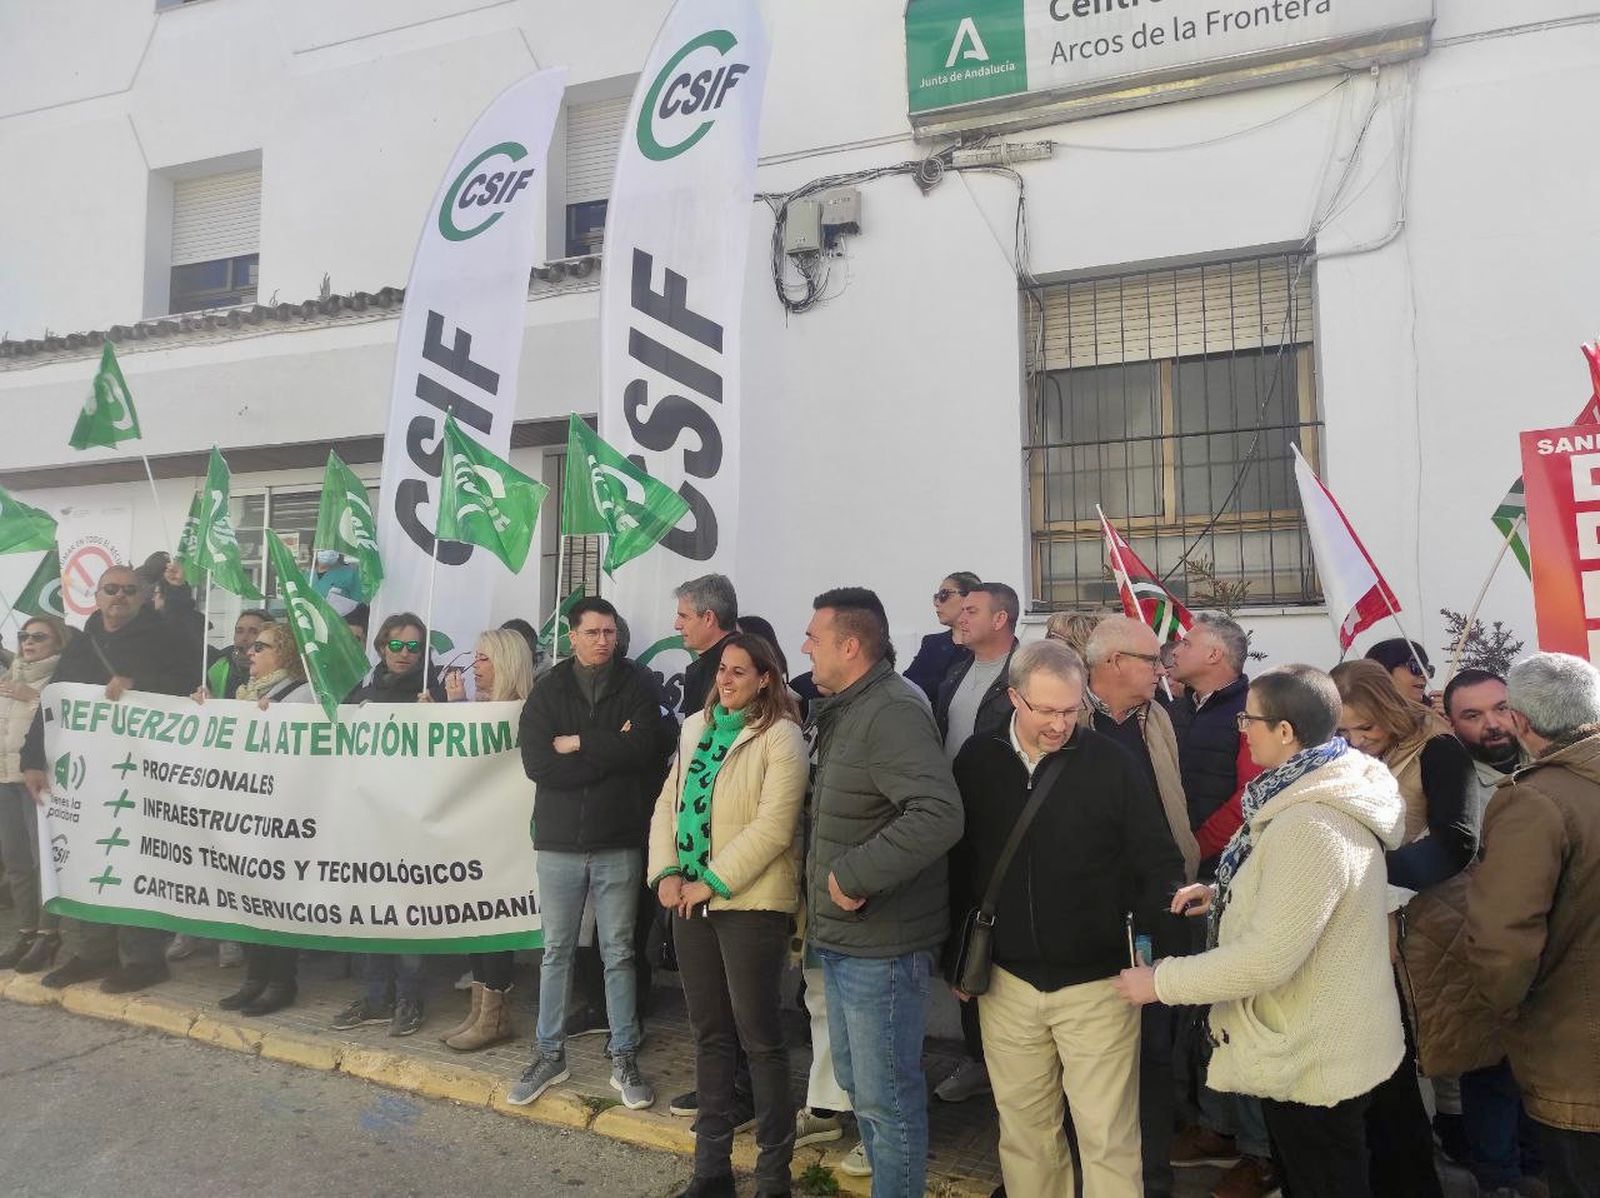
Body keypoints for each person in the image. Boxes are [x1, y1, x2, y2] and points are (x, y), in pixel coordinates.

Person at [1114, 665, 1408, 1198]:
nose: (1242, 729)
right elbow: (1299, 897)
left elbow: (1269, 956)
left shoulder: (1311, 822)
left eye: (1249, 719)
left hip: (1313, 1051)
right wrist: (1226, 893)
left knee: (1324, 1178)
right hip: (1312, 1036)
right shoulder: (1309, 790)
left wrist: (1159, 982)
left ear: (1286, 731)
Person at [952, 639, 1183, 1196]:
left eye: (1071, 710)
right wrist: (954, 960)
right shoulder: (978, 760)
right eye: (1046, 710)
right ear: (1013, 698)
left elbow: (1160, 864)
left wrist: (1152, 964)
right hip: (1006, 983)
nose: (1060, 724)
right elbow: (961, 866)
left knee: (1108, 1138)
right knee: (1026, 1135)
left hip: (1099, 985)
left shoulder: (1112, 764)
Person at [804, 586, 964, 1198]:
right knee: (857, 1081)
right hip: (845, 936)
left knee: (885, 1097)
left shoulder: (891, 709)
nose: (805, 648)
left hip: (883, 944)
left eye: (814, 638)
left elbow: (937, 814)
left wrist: (853, 875)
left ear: (850, 645)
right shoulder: (850, 706)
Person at [648, 633, 807, 1198]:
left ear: (766, 677)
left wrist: (710, 882)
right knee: (710, 1035)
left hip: (750, 905)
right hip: (689, 902)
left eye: (740, 671)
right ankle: (710, 1171)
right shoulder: (695, 728)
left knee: (760, 1039)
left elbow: (774, 826)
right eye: (722, 669)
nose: (727, 679)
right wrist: (667, 873)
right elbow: (669, 801)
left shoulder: (782, 738)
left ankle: (773, 1178)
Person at [508, 597, 662, 1111]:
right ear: (571, 636)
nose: (603, 640)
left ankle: (624, 1055)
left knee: (618, 952)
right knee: (556, 952)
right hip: (558, 843)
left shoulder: (637, 683)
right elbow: (537, 763)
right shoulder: (548, 689)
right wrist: (605, 750)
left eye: (610, 632)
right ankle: (549, 1054)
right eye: (593, 632)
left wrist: (575, 743)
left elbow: (644, 749)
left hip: (619, 839)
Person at [21, 566, 201, 992]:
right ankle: (93, 954)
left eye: (129, 590)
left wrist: (139, 684)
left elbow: (192, 686)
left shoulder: (166, 638)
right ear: (96, 594)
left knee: (132, 861)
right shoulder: (82, 644)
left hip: (138, 775)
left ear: (143, 596)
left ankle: (143, 960)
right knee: (86, 860)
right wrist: (31, 759)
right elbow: (54, 703)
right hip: (85, 778)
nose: (119, 596)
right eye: (111, 589)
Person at [1465, 653, 1600, 1198]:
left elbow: (1504, 938)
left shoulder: (1535, 800)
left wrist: (1503, 1007)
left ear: (1521, 721)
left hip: (1577, 1049)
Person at [1333, 659, 1466, 1197]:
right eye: (1342, 730)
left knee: (1404, 1068)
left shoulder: (1439, 748)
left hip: (1421, 926)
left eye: (1366, 727)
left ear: (1390, 710)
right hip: (1362, 929)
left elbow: (1458, 840)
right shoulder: (1343, 756)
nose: (1356, 740)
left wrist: (1363, 874)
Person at [1080, 614, 1202, 1195]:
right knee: (1090, 1059)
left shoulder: (1162, 718)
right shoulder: (1064, 720)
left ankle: (1151, 1178)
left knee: (1154, 1050)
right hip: (1086, 918)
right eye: (1151, 660)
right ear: (1111, 665)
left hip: (1157, 909)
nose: (1163, 669)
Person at [1164, 613, 1275, 1196]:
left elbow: (1249, 796)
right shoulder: (1180, 708)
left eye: (1187, 642)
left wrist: (1197, 845)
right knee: (1201, 1010)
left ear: (1216, 656)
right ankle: (1217, 1127)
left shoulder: (1249, 708)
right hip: (1188, 877)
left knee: (1233, 1009)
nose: (1175, 650)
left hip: (1225, 877)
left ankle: (1259, 1151)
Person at [189, 621, 315, 1015]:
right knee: (246, 898)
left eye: (261, 647)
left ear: (286, 654)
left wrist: (271, 721)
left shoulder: (302, 694)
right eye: (251, 647)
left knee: (275, 900)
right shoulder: (244, 693)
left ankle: (281, 980)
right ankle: (255, 977)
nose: (250, 653)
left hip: (280, 814)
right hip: (243, 811)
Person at [331, 612, 440, 1036]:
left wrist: (437, 718)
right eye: (398, 645)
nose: (406, 654)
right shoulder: (360, 692)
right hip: (368, 820)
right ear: (381, 646)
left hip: (412, 822)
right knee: (373, 912)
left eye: (415, 647)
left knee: (408, 914)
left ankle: (409, 998)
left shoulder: (430, 694)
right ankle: (376, 997)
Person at [428, 629, 535, 1051]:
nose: (475, 667)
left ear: (506, 663)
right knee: (476, 920)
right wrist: (451, 711)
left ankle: (495, 1017)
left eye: (483, 659)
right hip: (475, 834)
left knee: (496, 922)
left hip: (504, 838)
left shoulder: (522, 711)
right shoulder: (480, 709)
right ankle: (480, 1010)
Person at [0, 616, 73, 974]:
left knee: (40, 860)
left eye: (39, 637)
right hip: (4, 780)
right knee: (15, 860)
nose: (28, 642)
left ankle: (50, 932)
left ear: (58, 643)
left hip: (38, 782)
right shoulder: (9, 677)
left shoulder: (60, 681)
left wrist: (35, 698)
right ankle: (26, 930)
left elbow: (61, 726)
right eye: (24, 636)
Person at [935, 582, 1019, 762]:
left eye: (971, 612)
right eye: (962, 610)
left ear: (999, 619)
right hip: (950, 788)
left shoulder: (1027, 675)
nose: (961, 619)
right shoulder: (955, 672)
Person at [904, 572, 980, 701]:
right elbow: (908, 687)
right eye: (936, 597)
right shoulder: (932, 644)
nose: (937, 603)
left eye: (944, 595)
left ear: (969, 597)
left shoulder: (985, 646)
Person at [675, 574, 739, 715]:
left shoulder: (747, 664)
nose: (677, 625)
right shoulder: (700, 669)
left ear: (708, 618)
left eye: (684, 616)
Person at [1366, 638, 1435, 707]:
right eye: (1416, 666)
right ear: (1384, 669)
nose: (1425, 675)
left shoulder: (1436, 715)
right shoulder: (1359, 715)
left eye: (1428, 669)